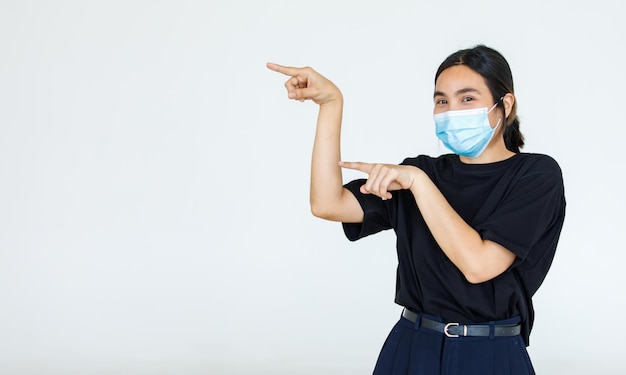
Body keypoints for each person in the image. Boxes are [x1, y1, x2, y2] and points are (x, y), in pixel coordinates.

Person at [267, 45, 566, 375]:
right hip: (412, 348)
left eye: (467, 99)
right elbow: (327, 203)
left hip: (491, 353)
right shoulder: (421, 171)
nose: (452, 110)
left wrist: (420, 185)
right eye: (442, 100)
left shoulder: (536, 175)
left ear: (504, 104)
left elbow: (478, 265)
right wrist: (330, 104)